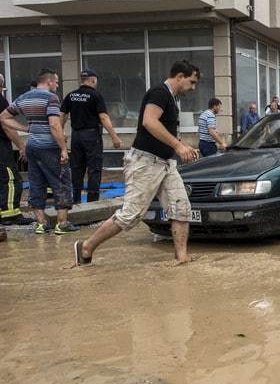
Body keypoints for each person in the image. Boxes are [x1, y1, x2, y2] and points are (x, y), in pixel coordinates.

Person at [72, 60, 200, 266]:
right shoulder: (159, 92)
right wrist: (178, 146)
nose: (193, 88)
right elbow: (149, 122)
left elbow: (163, 132)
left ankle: (181, 259)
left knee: (181, 208)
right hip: (145, 162)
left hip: (166, 163)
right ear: (180, 77)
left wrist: (182, 146)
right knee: (131, 215)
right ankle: (86, 246)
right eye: (192, 82)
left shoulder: (171, 97)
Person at [0, 69, 78, 234]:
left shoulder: (24, 97)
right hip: (49, 147)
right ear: (49, 82)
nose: (57, 85)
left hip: (32, 147)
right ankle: (62, 224)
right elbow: (54, 125)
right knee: (62, 183)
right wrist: (63, 148)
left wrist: (26, 128)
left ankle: (41, 223)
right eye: (56, 82)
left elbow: (3, 117)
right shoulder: (51, 98)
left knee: (36, 184)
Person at [61, 69, 122, 203]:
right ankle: (92, 203)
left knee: (77, 168)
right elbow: (104, 117)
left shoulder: (71, 95)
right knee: (94, 169)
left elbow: (63, 115)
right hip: (91, 136)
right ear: (93, 80)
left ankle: (76, 201)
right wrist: (114, 136)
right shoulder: (95, 96)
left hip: (76, 137)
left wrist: (61, 132)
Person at [0, 74, 32, 225]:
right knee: (10, 179)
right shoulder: (0, 101)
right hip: (1, 148)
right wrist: (21, 145)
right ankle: (10, 213)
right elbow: (6, 126)